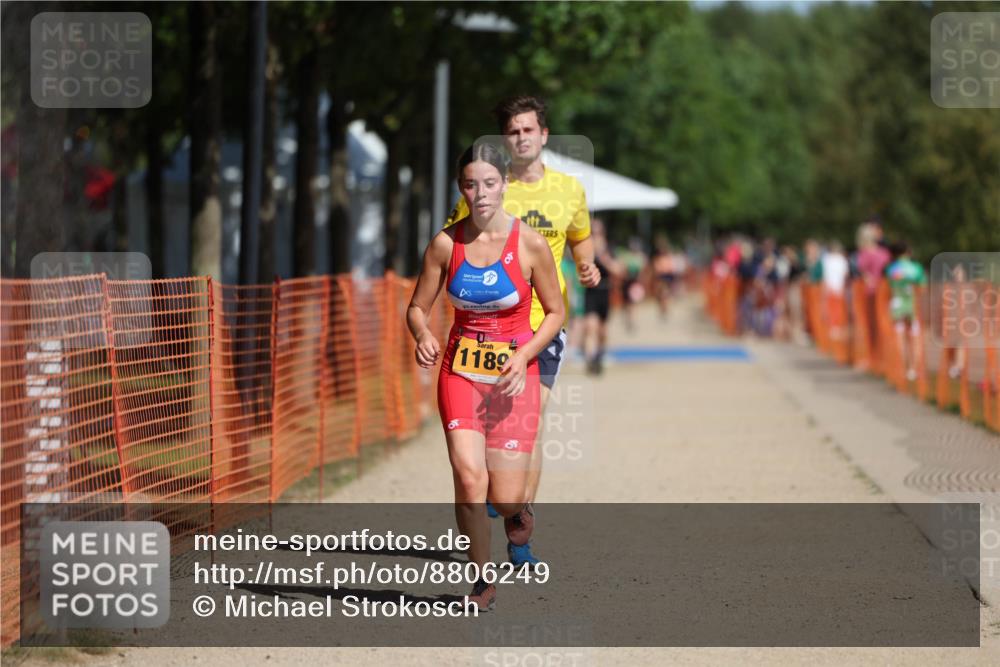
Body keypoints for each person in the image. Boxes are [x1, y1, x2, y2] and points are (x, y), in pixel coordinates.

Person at [407, 143, 564, 611]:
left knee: (506, 495)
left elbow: (556, 312)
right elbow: (417, 307)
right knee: (469, 476)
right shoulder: (445, 244)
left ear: (505, 184)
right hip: (460, 374)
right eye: (471, 184)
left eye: (490, 183)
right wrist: (422, 333)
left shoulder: (529, 244)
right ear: (461, 188)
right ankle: (481, 581)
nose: (481, 194)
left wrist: (525, 355)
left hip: (515, 377)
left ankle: (519, 511)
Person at [446, 95, 599, 569]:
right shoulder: (487, 185)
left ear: (544, 135)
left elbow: (580, 239)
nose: (521, 138)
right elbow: (454, 243)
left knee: (529, 426)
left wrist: (587, 265)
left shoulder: (569, 190)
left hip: (542, 325)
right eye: (513, 131)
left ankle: (519, 529)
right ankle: (498, 497)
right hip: (487, 332)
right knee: (487, 438)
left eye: (528, 129)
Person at [582, 218, 624, 375]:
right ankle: (590, 360)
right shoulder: (585, 249)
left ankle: (600, 355)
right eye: (592, 233)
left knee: (602, 331)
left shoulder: (610, 249)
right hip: (591, 291)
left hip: (605, 291)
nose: (595, 236)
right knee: (590, 327)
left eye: (598, 232)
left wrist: (603, 257)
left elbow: (618, 270)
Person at [885, 242, 927, 382]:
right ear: (908, 252)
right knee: (914, 338)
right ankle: (913, 369)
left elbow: (887, 287)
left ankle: (902, 367)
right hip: (912, 305)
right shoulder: (916, 268)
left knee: (900, 337)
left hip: (896, 304)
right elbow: (922, 287)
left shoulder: (891, 268)